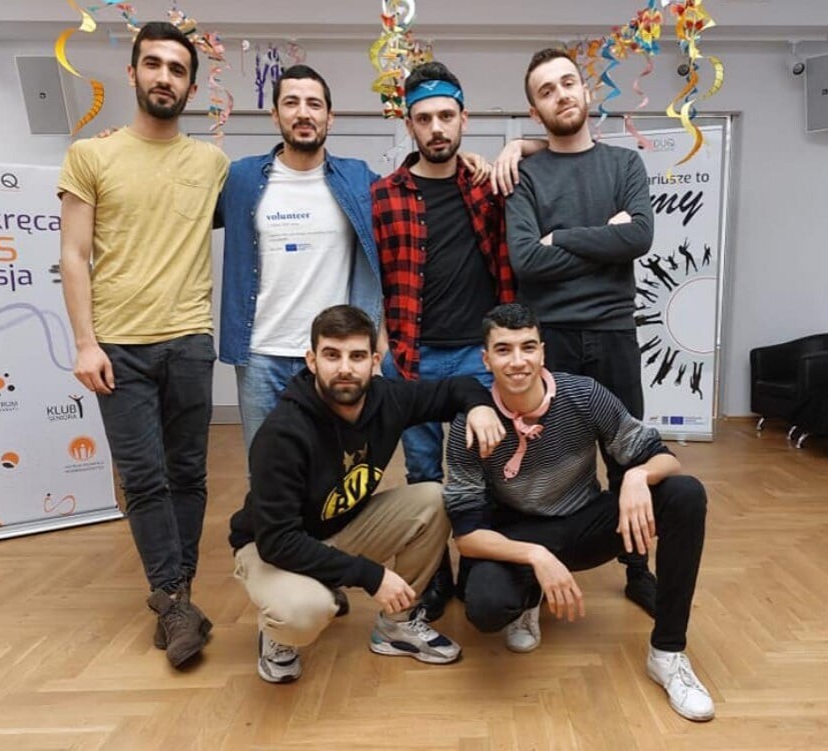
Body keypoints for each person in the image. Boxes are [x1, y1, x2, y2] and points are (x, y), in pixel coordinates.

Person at [444, 304, 714, 722]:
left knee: (685, 494)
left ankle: (667, 653)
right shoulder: (471, 424)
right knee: (485, 608)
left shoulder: (584, 395)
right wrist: (536, 556)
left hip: (584, 524)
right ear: (486, 359)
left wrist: (638, 476)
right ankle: (529, 595)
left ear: (543, 351)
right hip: (517, 536)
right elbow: (466, 535)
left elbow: (665, 458)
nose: (518, 361)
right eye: (503, 349)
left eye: (528, 347)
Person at [58, 21, 229, 668]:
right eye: (153, 64)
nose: (164, 76)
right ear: (132, 73)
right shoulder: (91, 156)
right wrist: (85, 343)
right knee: (142, 477)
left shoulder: (211, 165)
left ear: (191, 86)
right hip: (117, 348)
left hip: (188, 341)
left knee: (188, 475)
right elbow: (73, 255)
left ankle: (174, 597)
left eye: (177, 68)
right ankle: (175, 600)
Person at [228, 305, 505, 683]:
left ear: (374, 362)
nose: (345, 368)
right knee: (304, 611)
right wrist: (371, 576)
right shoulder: (283, 433)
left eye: (357, 356)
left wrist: (480, 407)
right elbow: (278, 541)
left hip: (338, 529)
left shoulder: (386, 398)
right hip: (269, 548)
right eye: (332, 355)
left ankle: (396, 626)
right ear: (311, 360)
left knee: (434, 499)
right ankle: (278, 636)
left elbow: (455, 388)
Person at [503, 47, 658, 615]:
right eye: (546, 91)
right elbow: (526, 260)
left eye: (568, 83)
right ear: (535, 110)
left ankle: (638, 568)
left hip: (614, 332)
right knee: (547, 462)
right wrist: (604, 237)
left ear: (586, 91)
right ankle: (539, 571)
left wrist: (561, 238)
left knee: (627, 458)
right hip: (552, 339)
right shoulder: (526, 174)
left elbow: (638, 237)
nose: (561, 95)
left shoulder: (624, 165)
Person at [372, 60, 516, 619]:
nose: (436, 128)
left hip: (481, 358)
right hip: (414, 359)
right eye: (424, 118)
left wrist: (517, 146)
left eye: (446, 116)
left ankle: (484, 565)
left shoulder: (488, 188)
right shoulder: (384, 196)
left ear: (464, 119)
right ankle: (435, 575)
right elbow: (373, 274)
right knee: (425, 475)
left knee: (488, 467)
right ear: (409, 124)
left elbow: (552, 156)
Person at [216, 64, 383, 459]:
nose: (303, 113)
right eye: (291, 103)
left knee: (332, 468)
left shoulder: (358, 180)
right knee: (267, 469)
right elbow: (179, 203)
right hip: (261, 354)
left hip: (332, 353)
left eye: (314, 104)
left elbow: (415, 189)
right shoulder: (241, 178)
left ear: (330, 116)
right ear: (275, 115)